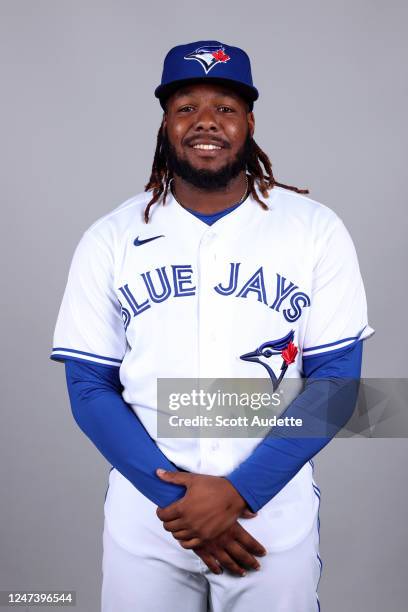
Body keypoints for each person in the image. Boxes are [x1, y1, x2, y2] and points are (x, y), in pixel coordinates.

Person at [50, 40, 375, 611]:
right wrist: (182, 505)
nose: (206, 121)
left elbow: (337, 381)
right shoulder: (110, 237)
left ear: (249, 122)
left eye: (225, 107)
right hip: (149, 515)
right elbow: (88, 386)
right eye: (185, 107)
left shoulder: (314, 229)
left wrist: (239, 493)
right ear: (165, 125)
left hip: (270, 507)